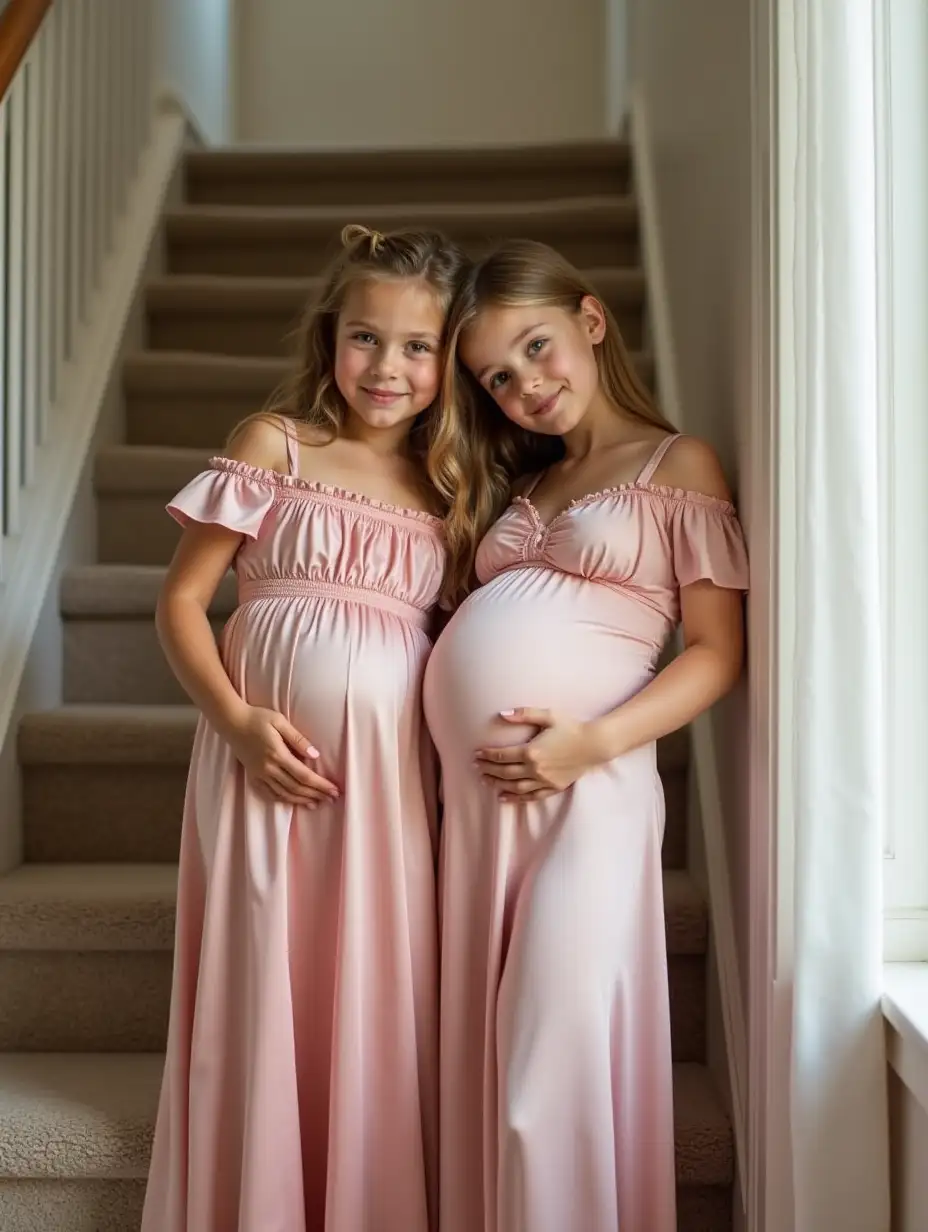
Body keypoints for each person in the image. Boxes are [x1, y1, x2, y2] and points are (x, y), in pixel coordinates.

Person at [141, 225, 477, 1232]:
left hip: (385, 788)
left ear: (449, 359)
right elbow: (180, 603)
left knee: (371, 988)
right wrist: (239, 722)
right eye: (366, 338)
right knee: (268, 971)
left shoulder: (448, 490)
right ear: (330, 337)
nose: (388, 367)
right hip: (263, 768)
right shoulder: (273, 445)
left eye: (417, 347)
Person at [424, 239, 749, 1232]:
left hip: (585, 793)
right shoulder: (525, 484)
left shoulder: (675, 462)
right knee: (486, 1070)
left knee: (546, 1067)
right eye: (498, 375)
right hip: (481, 817)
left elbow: (715, 652)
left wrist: (590, 744)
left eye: (537, 346)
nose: (526, 384)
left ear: (591, 319)